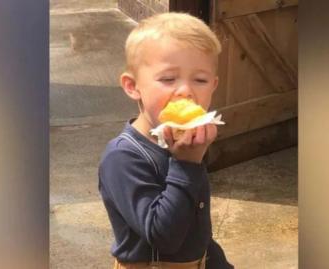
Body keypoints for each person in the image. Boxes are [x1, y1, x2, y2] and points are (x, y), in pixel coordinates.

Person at [98, 12, 234, 269]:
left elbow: (195, 222)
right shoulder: (122, 157)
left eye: (200, 80)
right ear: (132, 86)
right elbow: (164, 237)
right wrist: (187, 165)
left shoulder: (184, 143)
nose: (186, 90)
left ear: (214, 85)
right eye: (169, 79)